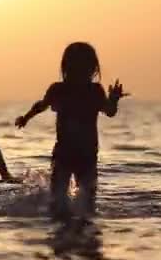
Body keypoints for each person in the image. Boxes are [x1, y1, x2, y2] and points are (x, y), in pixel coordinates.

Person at [15, 42, 129, 216]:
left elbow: (109, 111)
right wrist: (26, 117)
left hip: (81, 153)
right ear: (93, 68)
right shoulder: (65, 90)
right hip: (75, 153)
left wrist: (113, 99)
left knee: (73, 197)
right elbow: (42, 105)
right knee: (76, 197)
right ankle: (76, 225)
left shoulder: (90, 91)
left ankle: (65, 223)